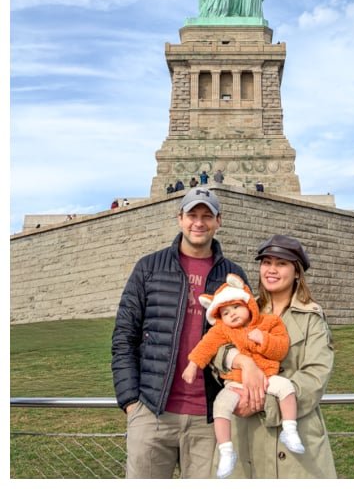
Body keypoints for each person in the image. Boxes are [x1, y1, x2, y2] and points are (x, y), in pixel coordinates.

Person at [111, 187, 249, 479]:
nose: (198, 223)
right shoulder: (148, 268)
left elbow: (245, 337)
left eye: (207, 216)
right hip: (151, 413)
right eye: (192, 215)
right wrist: (131, 402)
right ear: (180, 219)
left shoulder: (233, 276)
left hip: (210, 419)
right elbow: (124, 336)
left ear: (218, 221)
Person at [211, 234, 337, 478]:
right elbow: (216, 345)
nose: (271, 270)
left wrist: (260, 402)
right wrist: (240, 361)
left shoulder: (312, 319)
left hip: (295, 433)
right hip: (246, 434)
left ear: (297, 271)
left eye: (281, 264)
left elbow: (315, 376)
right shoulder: (244, 308)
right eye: (266, 262)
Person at [182, 274, 306, 478]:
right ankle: (226, 450)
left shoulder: (269, 322)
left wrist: (264, 340)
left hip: (266, 376)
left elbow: (281, 348)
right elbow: (206, 346)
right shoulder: (222, 330)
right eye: (225, 312)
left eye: (236, 307)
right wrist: (193, 365)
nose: (232, 314)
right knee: (220, 406)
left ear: (248, 304)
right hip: (235, 383)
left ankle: (290, 429)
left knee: (286, 388)